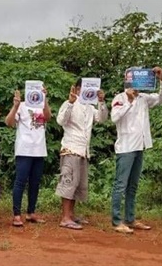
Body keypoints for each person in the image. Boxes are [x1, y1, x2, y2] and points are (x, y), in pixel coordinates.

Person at [110, 66, 162, 234]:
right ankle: (116, 221)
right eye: (132, 78)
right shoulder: (119, 98)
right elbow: (114, 117)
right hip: (126, 147)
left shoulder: (144, 98)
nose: (135, 82)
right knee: (121, 185)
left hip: (140, 146)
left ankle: (130, 218)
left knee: (133, 185)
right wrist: (129, 101)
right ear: (127, 79)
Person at [55, 79, 108, 230]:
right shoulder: (68, 103)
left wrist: (101, 102)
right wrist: (71, 103)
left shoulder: (90, 107)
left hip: (84, 151)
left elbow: (102, 119)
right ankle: (65, 218)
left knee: (78, 184)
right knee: (69, 182)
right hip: (71, 148)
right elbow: (60, 121)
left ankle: (71, 215)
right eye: (84, 88)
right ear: (77, 89)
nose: (88, 91)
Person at [5, 87, 52, 227]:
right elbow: (9, 123)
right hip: (24, 150)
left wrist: (45, 99)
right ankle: (17, 215)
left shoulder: (41, 105)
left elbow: (48, 117)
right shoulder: (22, 106)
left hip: (39, 150)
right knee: (20, 182)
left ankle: (31, 212)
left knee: (35, 183)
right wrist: (15, 106)